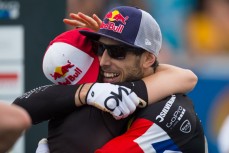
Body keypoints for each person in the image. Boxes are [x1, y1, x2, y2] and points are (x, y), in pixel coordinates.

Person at [13, 6, 205, 153]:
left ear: (148, 59)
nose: (104, 61)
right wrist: (85, 92)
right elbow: (19, 109)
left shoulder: (164, 115)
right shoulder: (109, 88)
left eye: (117, 52)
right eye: (100, 48)